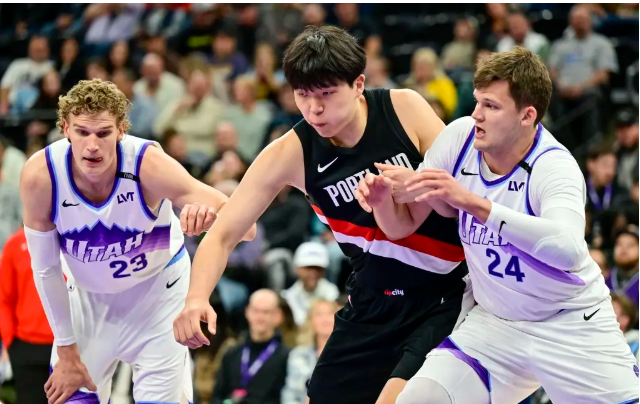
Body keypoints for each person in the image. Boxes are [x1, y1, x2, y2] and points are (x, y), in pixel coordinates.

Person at [173, 25, 472, 404]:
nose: (314, 109)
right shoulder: (290, 152)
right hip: (373, 299)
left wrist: (413, 184)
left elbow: (464, 188)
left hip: (444, 290)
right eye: (302, 95)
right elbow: (222, 235)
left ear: (358, 84)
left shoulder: (404, 108)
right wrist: (196, 298)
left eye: (326, 94)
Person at [356, 46, 638, 404]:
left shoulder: (555, 167)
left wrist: (471, 202)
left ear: (527, 115)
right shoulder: (460, 139)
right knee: (420, 398)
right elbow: (402, 225)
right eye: (477, 102)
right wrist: (382, 201)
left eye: (491, 106)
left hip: (568, 322)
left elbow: (568, 249)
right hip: (496, 324)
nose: (476, 114)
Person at [19, 78, 257, 404]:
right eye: (82, 132)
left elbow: (248, 228)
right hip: (88, 301)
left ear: (121, 130)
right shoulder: (41, 176)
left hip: (158, 298)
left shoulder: (148, 164)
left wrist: (209, 214)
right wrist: (65, 349)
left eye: (103, 133)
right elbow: (45, 268)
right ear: (65, 129)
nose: (92, 145)